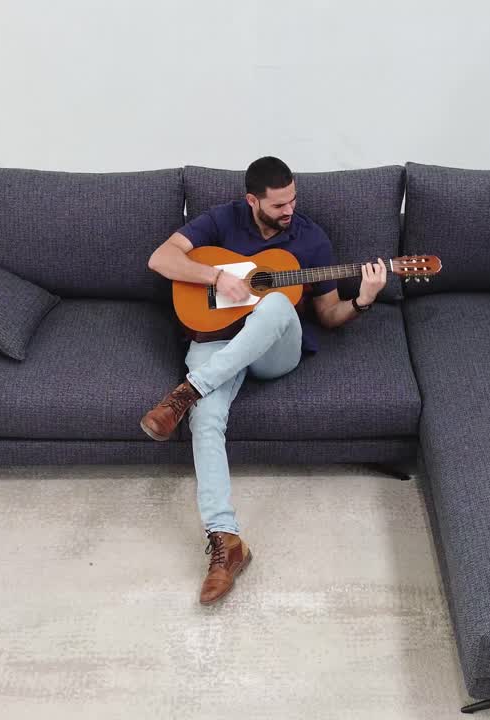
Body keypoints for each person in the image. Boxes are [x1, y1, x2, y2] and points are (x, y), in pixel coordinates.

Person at [141, 156, 387, 605]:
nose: (289, 210)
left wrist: (363, 301)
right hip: (218, 338)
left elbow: (329, 315)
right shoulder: (223, 219)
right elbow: (161, 258)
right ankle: (226, 542)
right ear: (252, 201)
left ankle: (188, 389)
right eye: (278, 205)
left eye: (293, 200)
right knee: (205, 420)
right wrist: (217, 276)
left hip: (274, 351)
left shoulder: (311, 238)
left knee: (274, 304)